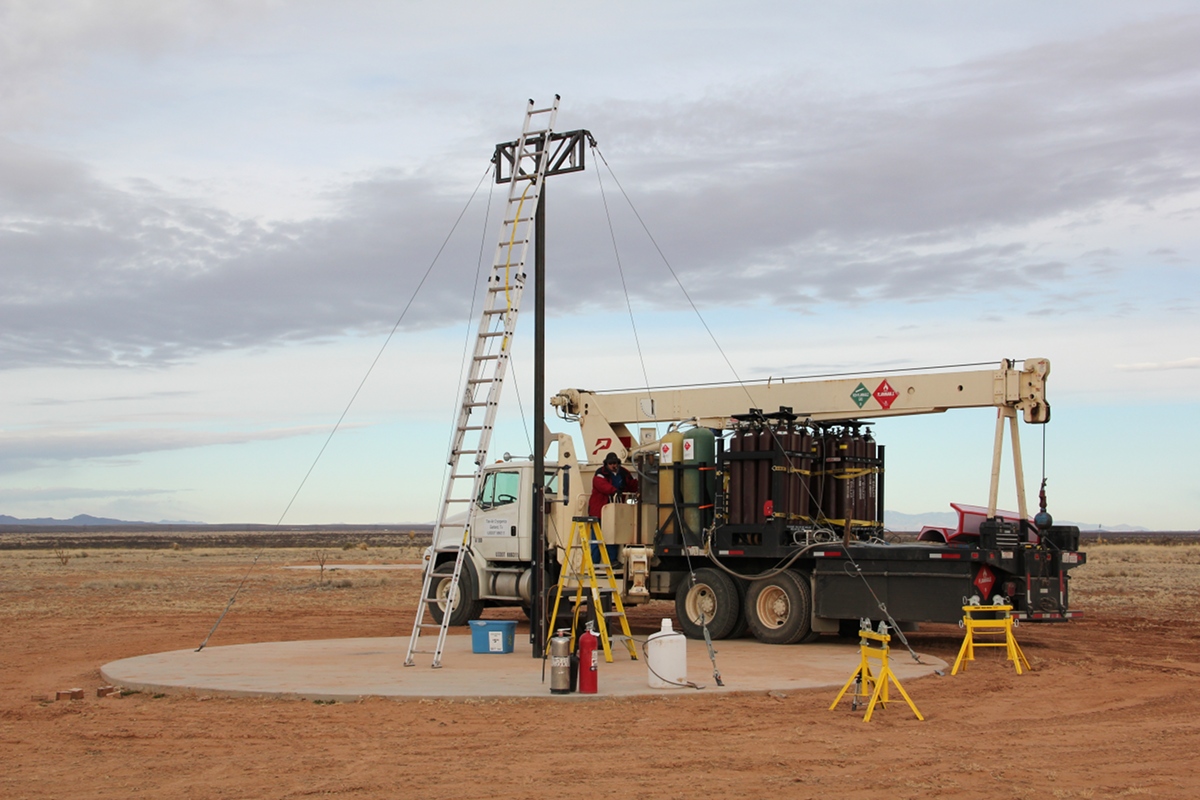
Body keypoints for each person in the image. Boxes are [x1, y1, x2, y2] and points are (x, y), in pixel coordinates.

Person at [588, 452, 639, 517]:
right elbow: (602, 485)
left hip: (617, 507)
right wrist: (614, 491)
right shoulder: (600, 473)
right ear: (606, 464)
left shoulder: (624, 473)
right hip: (600, 510)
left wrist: (640, 487)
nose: (612, 465)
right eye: (610, 463)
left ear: (617, 463)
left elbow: (631, 484)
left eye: (614, 463)